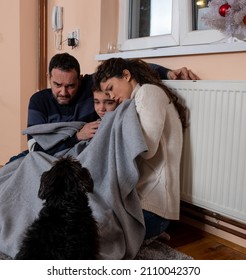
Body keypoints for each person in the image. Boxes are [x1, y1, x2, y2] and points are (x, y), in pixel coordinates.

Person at [6, 53, 198, 163]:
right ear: (49, 78)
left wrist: (168, 72)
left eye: (71, 86)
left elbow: (128, 67)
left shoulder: (94, 84)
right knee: (12, 166)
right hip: (48, 155)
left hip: (81, 157)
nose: (63, 92)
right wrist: (76, 136)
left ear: (80, 80)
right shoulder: (39, 101)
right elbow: (36, 148)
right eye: (57, 85)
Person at [93, 57, 186, 240]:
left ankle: (151, 234)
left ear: (126, 75)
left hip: (153, 210)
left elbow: (147, 148)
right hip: (139, 203)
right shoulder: (136, 98)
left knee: (92, 235)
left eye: (110, 88)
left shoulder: (148, 92)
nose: (111, 97)